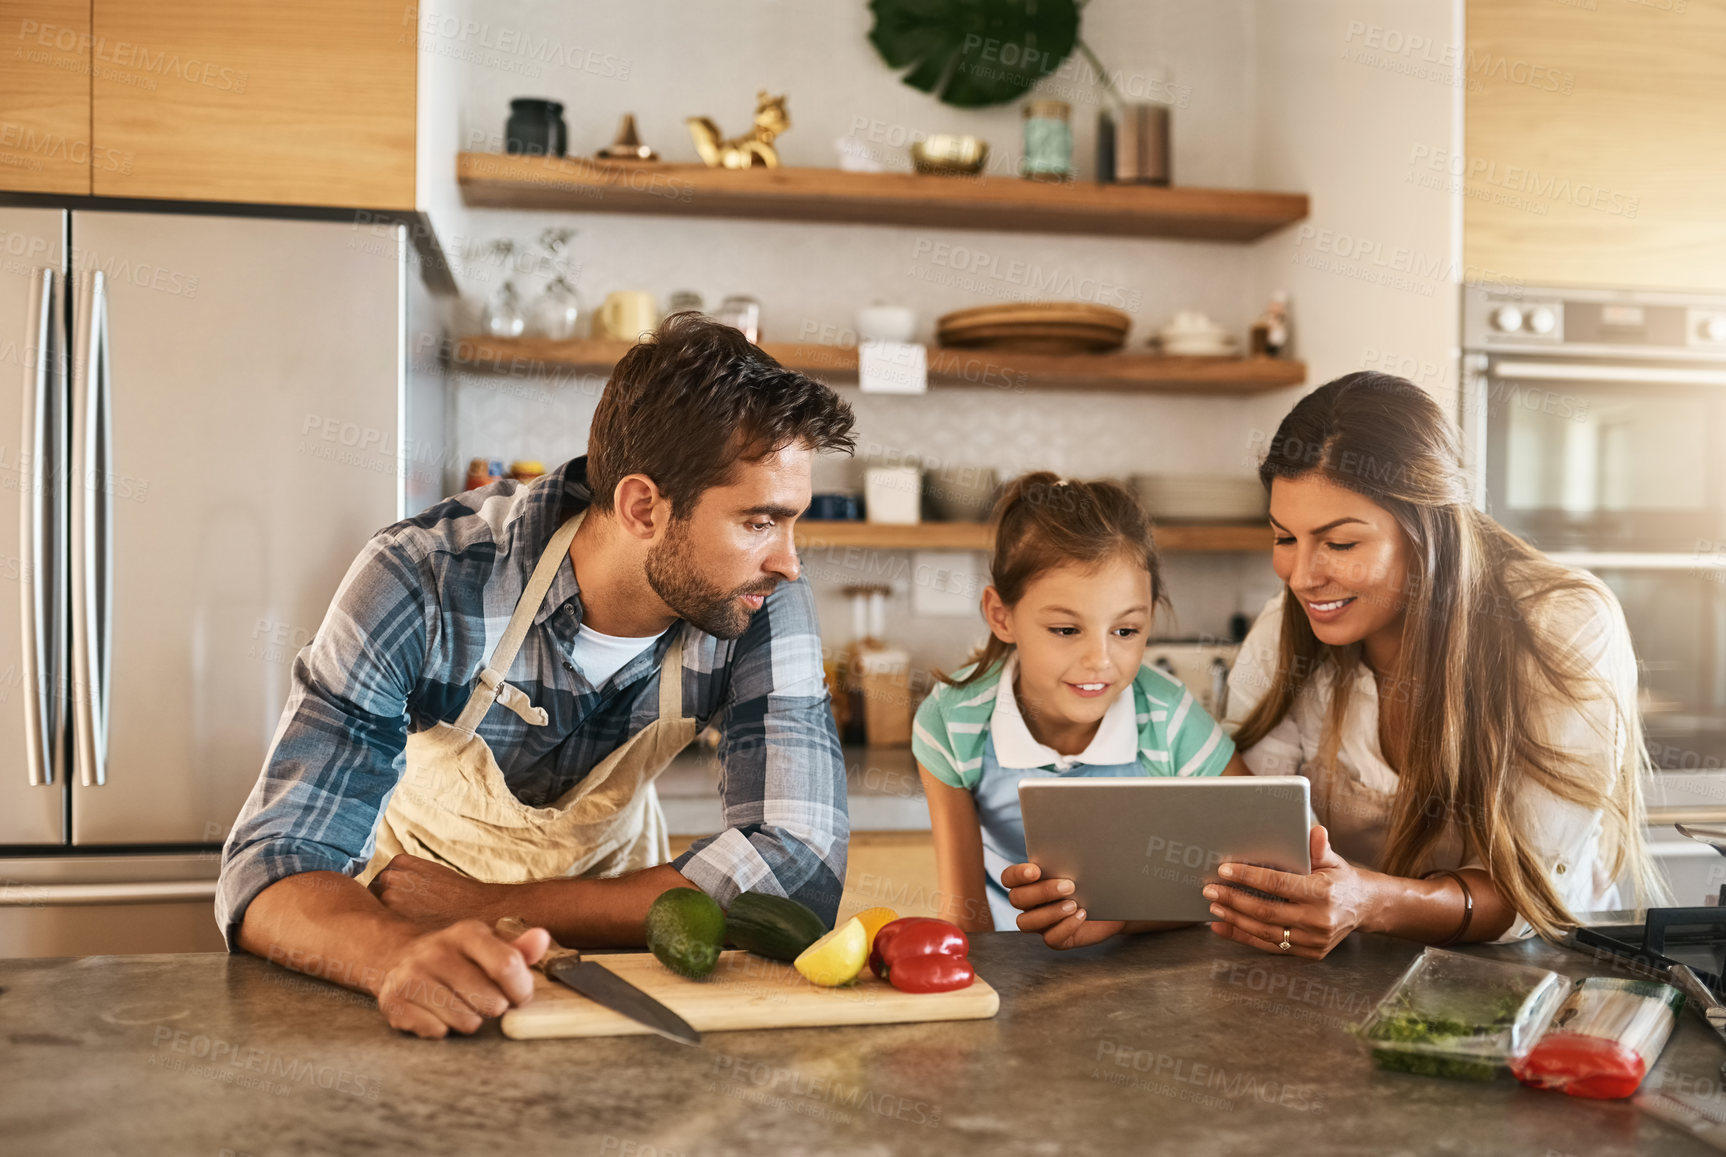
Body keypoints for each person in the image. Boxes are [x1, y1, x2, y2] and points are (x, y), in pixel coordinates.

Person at [217, 313, 857, 1036]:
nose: (789, 561)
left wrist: (485, 906)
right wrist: (397, 952)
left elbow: (798, 872)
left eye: (791, 521)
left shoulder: (758, 599)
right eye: (758, 521)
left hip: (618, 958)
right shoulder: (424, 578)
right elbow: (272, 862)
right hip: (404, 951)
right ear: (643, 507)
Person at [1204, 372, 1663, 958]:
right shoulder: (1284, 630)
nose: (1302, 577)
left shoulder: (1562, 627)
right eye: (1284, 538)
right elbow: (1255, 834)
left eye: (1340, 544)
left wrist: (1369, 902)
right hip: (1357, 969)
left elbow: (1529, 893)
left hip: (1541, 969)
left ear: (1429, 532)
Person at [913, 473, 1251, 943]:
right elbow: (966, 915)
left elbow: (1255, 871)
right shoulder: (952, 721)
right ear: (1001, 616)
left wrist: (1120, 921)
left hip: (1145, 961)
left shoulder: (1168, 717)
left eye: (1126, 631)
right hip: (1010, 959)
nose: (1100, 661)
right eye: (1066, 630)